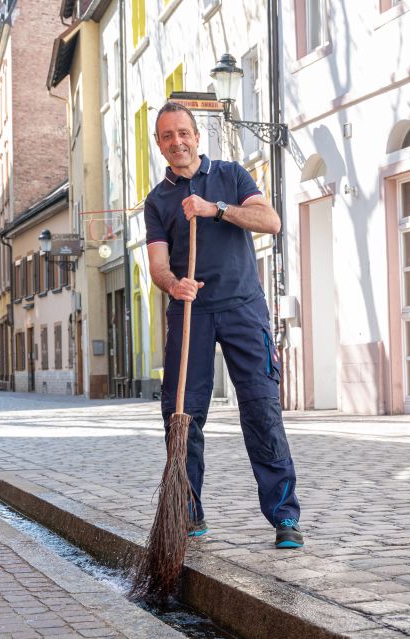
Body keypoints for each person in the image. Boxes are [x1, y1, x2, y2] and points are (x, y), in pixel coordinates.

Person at [144, 101, 302, 549]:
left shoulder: (231, 175)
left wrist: (216, 209)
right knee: (182, 417)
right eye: (167, 136)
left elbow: (268, 221)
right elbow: (157, 265)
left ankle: (285, 516)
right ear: (160, 144)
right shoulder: (157, 201)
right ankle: (189, 513)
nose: (177, 142)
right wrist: (175, 285)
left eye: (183, 133)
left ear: (197, 136)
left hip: (243, 309)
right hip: (191, 312)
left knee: (261, 410)